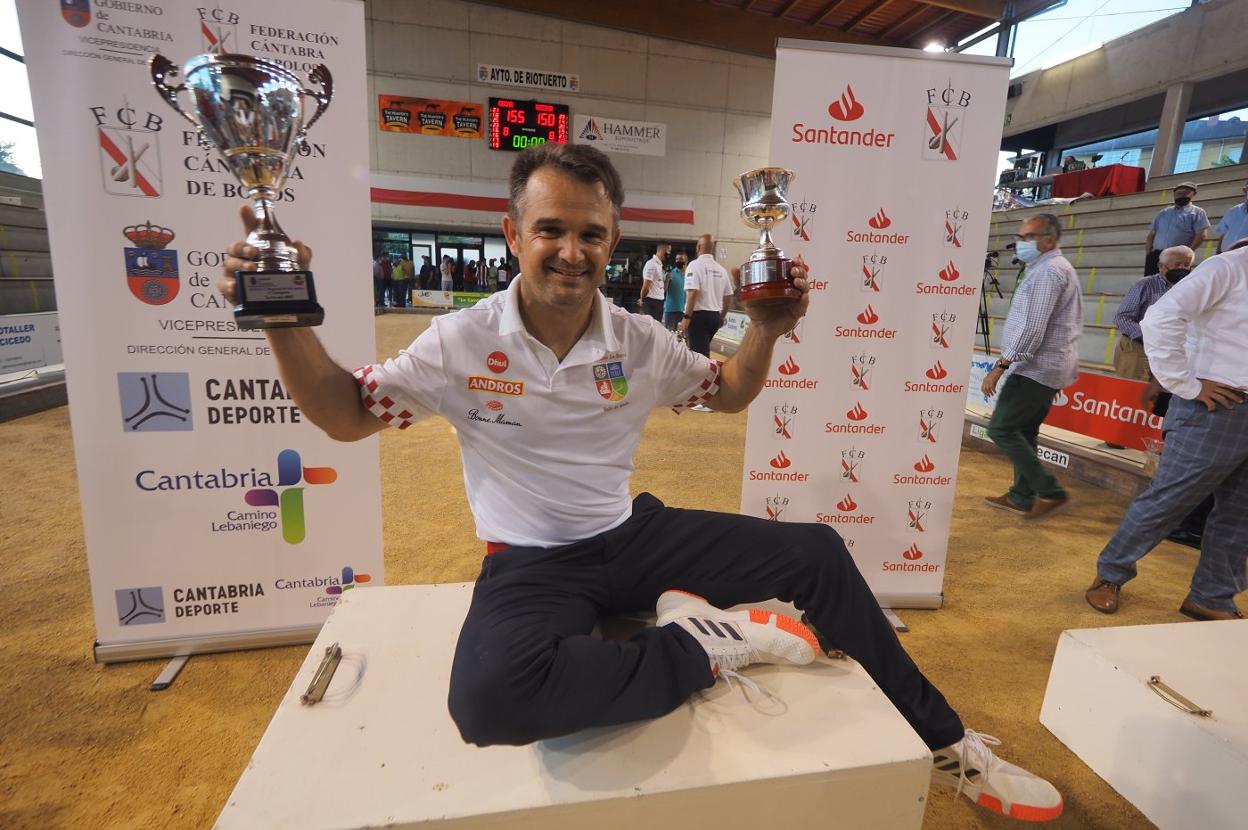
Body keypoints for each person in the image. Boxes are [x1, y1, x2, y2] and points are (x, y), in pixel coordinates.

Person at [220, 143, 1063, 822]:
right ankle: (707, 643)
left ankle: (947, 741)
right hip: (531, 561)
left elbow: (727, 393)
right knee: (489, 702)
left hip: (632, 536)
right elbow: (344, 414)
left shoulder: (638, 340)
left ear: (612, 240)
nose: (571, 251)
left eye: (591, 234)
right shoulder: (459, 342)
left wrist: (767, 330)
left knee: (816, 552)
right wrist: (281, 319)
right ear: (513, 234)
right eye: (551, 230)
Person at [1086, 243, 1248, 621]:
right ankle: (1110, 574)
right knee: (1171, 498)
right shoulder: (1228, 268)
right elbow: (1159, 318)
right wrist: (1186, 384)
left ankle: (1211, 596)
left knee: (1241, 513)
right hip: (1215, 405)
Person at [981, 213, 1083, 521]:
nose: (1020, 242)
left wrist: (1002, 365)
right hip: (1044, 365)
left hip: (1035, 367)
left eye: (1028, 237)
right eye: (1020, 236)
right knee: (1024, 431)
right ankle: (1021, 496)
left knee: (1001, 428)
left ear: (1049, 241)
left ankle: (1050, 491)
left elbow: (1033, 327)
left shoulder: (1049, 272)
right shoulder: (1045, 268)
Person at [1112, 246, 1194, 381]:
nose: (1182, 269)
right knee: (1134, 391)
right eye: (1177, 264)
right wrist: (1152, 336)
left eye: (1186, 265)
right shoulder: (1144, 285)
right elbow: (1122, 318)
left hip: (1171, 354)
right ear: (1161, 266)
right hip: (1138, 348)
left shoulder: (1190, 288)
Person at [678, 234, 733, 359]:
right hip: (715, 317)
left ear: (698, 247)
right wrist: (721, 316)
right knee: (703, 350)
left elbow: (693, 292)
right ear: (712, 248)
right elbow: (728, 296)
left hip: (698, 317)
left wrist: (686, 317)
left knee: (699, 356)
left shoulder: (694, 265)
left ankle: (705, 371)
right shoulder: (721, 269)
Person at [1143, 181, 1208, 277]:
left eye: (1185, 193)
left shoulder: (1197, 212)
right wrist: (1148, 254)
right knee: (1150, 282)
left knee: (1174, 283)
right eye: (1178, 193)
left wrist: (1189, 252)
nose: (1181, 195)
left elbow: (1202, 234)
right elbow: (1152, 234)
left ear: (1193, 194)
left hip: (1177, 257)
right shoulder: (1164, 212)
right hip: (1156, 255)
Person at [1214, 180, 1248, 253]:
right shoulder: (1233, 210)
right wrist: (1218, 254)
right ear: (1245, 190)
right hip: (1226, 255)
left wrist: (1237, 245)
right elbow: (1223, 234)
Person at [639, 243, 669, 321]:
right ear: (663, 251)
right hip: (652, 302)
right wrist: (642, 299)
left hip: (659, 301)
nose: (669, 254)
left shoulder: (659, 265)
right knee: (651, 326)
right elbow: (646, 286)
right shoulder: (652, 264)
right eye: (668, 251)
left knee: (657, 326)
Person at [662, 251, 687, 331]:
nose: (678, 261)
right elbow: (663, 291)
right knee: (670, 335)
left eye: (681, 259)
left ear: (686, 261)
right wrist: (667, 280)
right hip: (671, 310)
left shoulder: (689, 274)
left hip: (685, 311)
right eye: (677, 259)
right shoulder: (670, 273)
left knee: (682, 335)